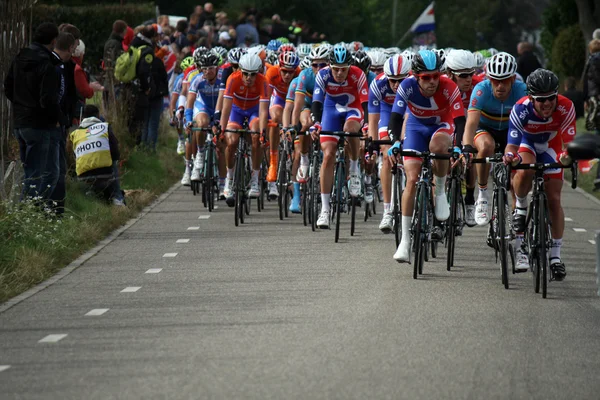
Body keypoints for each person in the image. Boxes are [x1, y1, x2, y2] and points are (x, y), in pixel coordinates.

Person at [387, 50, 465, 262]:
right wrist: (395, 142)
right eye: (426, 78)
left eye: (435, 76)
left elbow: (459, 121)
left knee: (438, 147)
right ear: (415, 76)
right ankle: (405, 240)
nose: (432, 82)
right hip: (416, 127)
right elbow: (395, 118)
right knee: (411, 179)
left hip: (441, 126)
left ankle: (439, 191)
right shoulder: (407, 86)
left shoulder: (449, 87)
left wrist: (457, 146)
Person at [504, 69, 576, 279]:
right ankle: (520, 207)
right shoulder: (521, 109)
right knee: (527, 168)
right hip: (527, 144)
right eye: (541, 100)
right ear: (531, 98)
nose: (547, 104)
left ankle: (555, 257)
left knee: (554, 199)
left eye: (551, 98)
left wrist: (567, 157)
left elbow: (569, 145)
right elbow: (512, 145)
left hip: (551, 146)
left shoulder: (565, 106)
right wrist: (510, 156)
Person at [462, 52, 527, 226]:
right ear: (489, 78)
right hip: (486, 129)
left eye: (505, 80)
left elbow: (529, 123)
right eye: (495, 80)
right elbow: (471, 124)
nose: (500, 86)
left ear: (513, 79)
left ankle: (517, 219)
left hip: (511, 131)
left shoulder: (522, 90)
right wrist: (467, 147)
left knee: (516, 178)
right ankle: (482, 195)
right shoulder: (481, 89)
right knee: (485, 146)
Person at [310, 44, 369, 229]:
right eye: (336, 69)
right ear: (330, 66)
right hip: (331, 110)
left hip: (353, 109)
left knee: (351, 129)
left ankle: (353, 168)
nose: (339, 73)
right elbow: (317, 103)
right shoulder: (323, 75)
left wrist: (366, 125)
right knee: (328, 155)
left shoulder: (358, 74)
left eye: (343, 70)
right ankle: (325, 210)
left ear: (349, 67)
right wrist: (317, 123)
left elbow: (366, 105)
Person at [4, 22, 62, 201]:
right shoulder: (48, 64)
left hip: (20, 122)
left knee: (29, 172)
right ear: (53, 41)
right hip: (40, 125)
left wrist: (21, 105)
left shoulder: (20, 57)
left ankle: (27, 211)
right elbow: (48, 100)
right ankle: (33, 211)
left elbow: (8, 86)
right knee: (46, 174)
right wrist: (59, 118)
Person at [367, 54, 411, 233]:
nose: (396, 85)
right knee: (387, 154)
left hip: (409, 112)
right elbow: (373, 119)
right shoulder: (377, 84)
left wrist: (401, 140)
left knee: (408, 148)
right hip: (387, 112)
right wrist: (372, 143)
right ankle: (387, 211)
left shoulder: (413, 85)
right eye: (393, 80)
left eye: (401, 80)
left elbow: (407, 120)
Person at [220, 53, 269, 204]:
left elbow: (263, 110)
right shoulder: (232, 79)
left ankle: (254, 179)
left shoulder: (263, 81)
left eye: (253, 74)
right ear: (240, 71)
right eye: (246, 73)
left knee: (255, 134)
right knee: (232, 140)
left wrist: (262, 132)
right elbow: (226, 108)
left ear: (258, 73)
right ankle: (229, 178)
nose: (249, 78)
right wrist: (222, 130)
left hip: (254, 110)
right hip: (236, 111)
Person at [445, 49, 484, 227]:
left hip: (470, 124)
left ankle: (469, 199)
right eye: (463, 75)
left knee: (471, 155)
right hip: (449, 122)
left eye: (471, 74)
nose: (469, 79)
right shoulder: (443, 85)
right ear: (450, 74)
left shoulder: (478, 85)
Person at [69, 105, 125, 206]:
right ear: (98, 115)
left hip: (83, 176)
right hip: (106, 173)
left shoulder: (75, 133)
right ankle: (117, 198)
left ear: (82, 118)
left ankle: (91, 196)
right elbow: (115, 152)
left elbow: (76, 156)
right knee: (113, 161)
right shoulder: (105, 127)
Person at [51, 30, 78, 216]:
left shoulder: (57, 64)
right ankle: (55, 212)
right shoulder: (57, 66)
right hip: (54, 124)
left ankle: (53, 210)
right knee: (55, 168)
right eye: (74, 48)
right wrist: (60, 119)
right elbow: (55, 97)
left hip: (52, 121)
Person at [127, 26, 155, 147]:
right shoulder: (147, 50)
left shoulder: (133, 43)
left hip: (130, 86)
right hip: (139, 89)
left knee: (131, 118)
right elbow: (144, 71)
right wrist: (146, 87)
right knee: (138, 120)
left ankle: (130, 144)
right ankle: (135, 146)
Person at [582, 39, 600, 190]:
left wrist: (585, 99)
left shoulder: (591, 61)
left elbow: (586, 81)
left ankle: (597, 174)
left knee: (597, 134)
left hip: (595, 100)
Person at [73, 40, 105, 123]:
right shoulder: (77, 69)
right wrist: (91, 87)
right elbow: (87, 92)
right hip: (75, 114)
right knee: (101, 120)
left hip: (72, 111)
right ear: (80, 53)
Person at [103, 20, 128, 103]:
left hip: (109, 81)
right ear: (123, 30)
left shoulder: (111, 42)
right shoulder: (115, 44)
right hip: (113, 82)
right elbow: (114, 63)